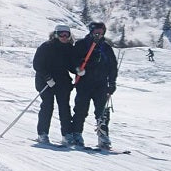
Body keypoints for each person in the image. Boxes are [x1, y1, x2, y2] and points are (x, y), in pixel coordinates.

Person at [70, 21, 119, 149]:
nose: (98, 34)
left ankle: (103, 136)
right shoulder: (81, 44)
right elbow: (73, 60)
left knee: (102, 111)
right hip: (84, 83)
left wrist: (112, 82)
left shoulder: (106, 48)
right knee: (81, 109)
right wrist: (79, 67)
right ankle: (77, 134)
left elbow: (112, 67)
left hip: (101, 84)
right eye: (96, 31)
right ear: (91, 31)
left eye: (101, 32)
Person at [32, 24, 78, 145]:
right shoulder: (46, 47)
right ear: (55, 34)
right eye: (61, 34)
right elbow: (37, 64)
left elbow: (71, 66)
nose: (64, 36)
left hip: (62, 82)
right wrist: (47, 77)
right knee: (47, 106)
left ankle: (67, 134)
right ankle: (43, 134)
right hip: (45, 81)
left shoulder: (69, 48)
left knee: (64, 108)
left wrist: (78, 69)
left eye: (66, 34)